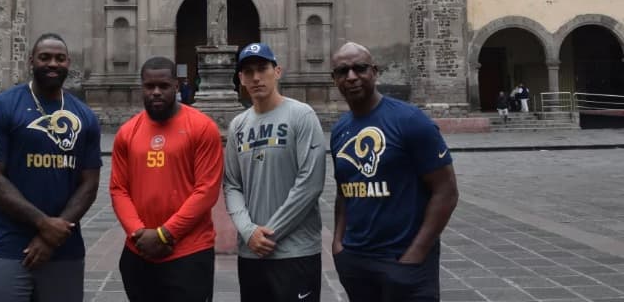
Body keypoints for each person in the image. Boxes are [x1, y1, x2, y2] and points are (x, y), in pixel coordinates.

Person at [0, 33, 102, 302]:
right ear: (31, 61)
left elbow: (89, 184)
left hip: (64, 248)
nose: (52, 63)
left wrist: (54, 234)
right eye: (45, 57)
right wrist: (44, 224)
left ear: (69, 63)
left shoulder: (85, 116)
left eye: (59, 58)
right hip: (6, 244)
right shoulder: (1, 106)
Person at [330, 42, 459, 302]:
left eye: (360, 68)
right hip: (356, 261)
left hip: (403, 260)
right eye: (343, 71)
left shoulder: (410, 120)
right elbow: (344, 191)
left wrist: (416, 254)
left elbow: (446, 190)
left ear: (375, 72)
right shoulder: (340, 130)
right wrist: (338, 244)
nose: (351, 77)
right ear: (335, 79)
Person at [110, 56, 224, 302]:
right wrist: (138, 233)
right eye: (150, 86)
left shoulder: (202, 128)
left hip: (188, 252)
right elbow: (119, 189)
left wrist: (164, 234)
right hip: (138, 251)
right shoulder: (127, 133)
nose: (156, 92)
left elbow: (207, 190)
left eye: (163, 86)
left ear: (176, 85)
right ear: (142, 87)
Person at [223, 42, 326, 302]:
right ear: (241, 79)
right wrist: (248, 232)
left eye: (262, 69)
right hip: (251, 253)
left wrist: (268, 234)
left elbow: (310, 184)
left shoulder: (302, 115)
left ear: (277, 71)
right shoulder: (238, 125)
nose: (256, 77)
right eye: (248, 72)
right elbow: (232, 184)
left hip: (295, 251)